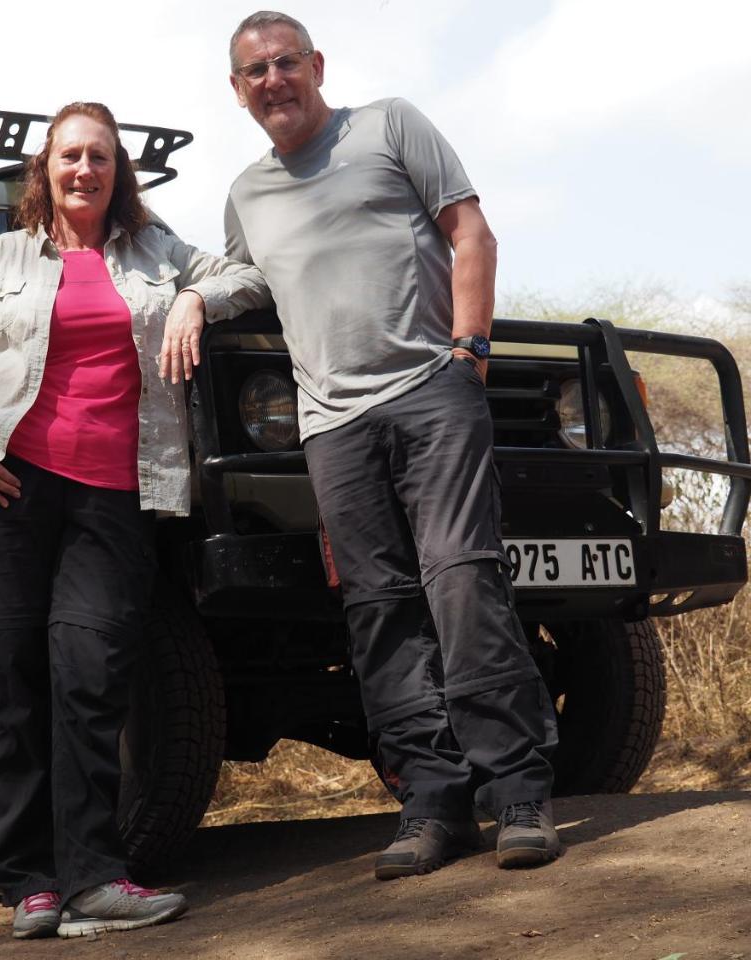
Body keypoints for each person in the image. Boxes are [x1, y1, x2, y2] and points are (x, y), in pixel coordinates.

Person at [220, 11, 562, 880]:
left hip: (431, 393)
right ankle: (433, 802)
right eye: (255, 71)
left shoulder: (389, 125)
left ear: (315, 65)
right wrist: (189, 302)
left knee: (462, 579)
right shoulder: (247, 194)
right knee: (378, 610)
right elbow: (249, 281)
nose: (273, 81)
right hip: (332, 425)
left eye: (286, 62)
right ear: (238, 90)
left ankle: (517, 791)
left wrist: (471, 351)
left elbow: (470, 230)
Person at [0, 101, 268, 938]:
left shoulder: (157, 252)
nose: (85, 170)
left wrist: (194, 304)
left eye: (100, 157)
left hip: (116, 497)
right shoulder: (2, 258)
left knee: (91, 676)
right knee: (16, 681)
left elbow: (249, 276)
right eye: (71, 156)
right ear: (47, 168)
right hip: (10, 490)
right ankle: (31, 886)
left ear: (119, 172)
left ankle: (95, 877)